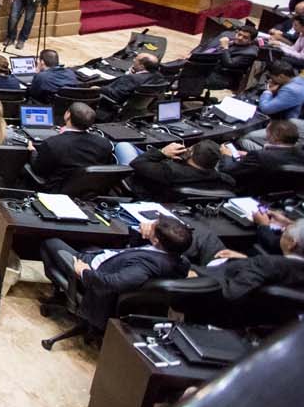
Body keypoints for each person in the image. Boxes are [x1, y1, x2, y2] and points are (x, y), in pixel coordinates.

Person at [39, 217, 193, 331]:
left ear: (156, 240)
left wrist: (84, 272)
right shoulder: (180, 260)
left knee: (50, 242)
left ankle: (69, 293)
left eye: (153, 225)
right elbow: (140, 253)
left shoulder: (146, 266)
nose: (150, 223)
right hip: (107, 261)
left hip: (94, 281)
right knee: (87, 244)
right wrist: (143, 233)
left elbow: (115, 283)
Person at [191, 219, 304, 301]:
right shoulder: (294, 269)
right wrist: (247, 260)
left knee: (198, 235)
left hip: (208, 278)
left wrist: (197, 278)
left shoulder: (268, 264)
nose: (282, 230)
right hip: (234, 266)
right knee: (206, 237)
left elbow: (230, 293)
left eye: (285, 231)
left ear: (291, 244)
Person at [26, 102, 114, 191]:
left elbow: (39, 170)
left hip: (56, 192)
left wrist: (33, 151)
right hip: (88, 192)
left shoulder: (53, 143)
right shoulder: (105, 144)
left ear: (67, 115)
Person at [116, 141, 229, 200]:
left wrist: (163, 152)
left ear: (190, 153)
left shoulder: (169, 171)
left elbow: (136, 164)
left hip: (143, 185)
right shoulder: (224, 180)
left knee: (123, 146)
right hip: (171, 197)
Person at [219, 120, 304, 189]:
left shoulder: (259, 156)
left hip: (246, 190)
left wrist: (226, 155)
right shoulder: (301, 154)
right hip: (280, 192)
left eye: (267, 132)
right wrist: (249, 156)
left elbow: (227, 171)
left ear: (274, 137)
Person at [186, 23, 259, 91]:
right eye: (239, 34)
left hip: (221, 76)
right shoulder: (226, 35)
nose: (240, 38)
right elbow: (205, 45)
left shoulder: (249, 53)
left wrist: (225, 48)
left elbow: (229, 64)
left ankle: (181, 97)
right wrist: (192, 53)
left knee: (188, 77)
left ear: (251, 41)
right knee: (180, 68)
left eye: (245, 37)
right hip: (204, 66)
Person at [96, 53, 161, 120]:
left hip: (110, 104)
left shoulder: (132, 79)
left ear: (141, 66)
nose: (133, 60)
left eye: (136, 60)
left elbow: (115, 95)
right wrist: (135, 74)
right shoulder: (160, 78)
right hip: (138, 109)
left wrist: (99, 88)